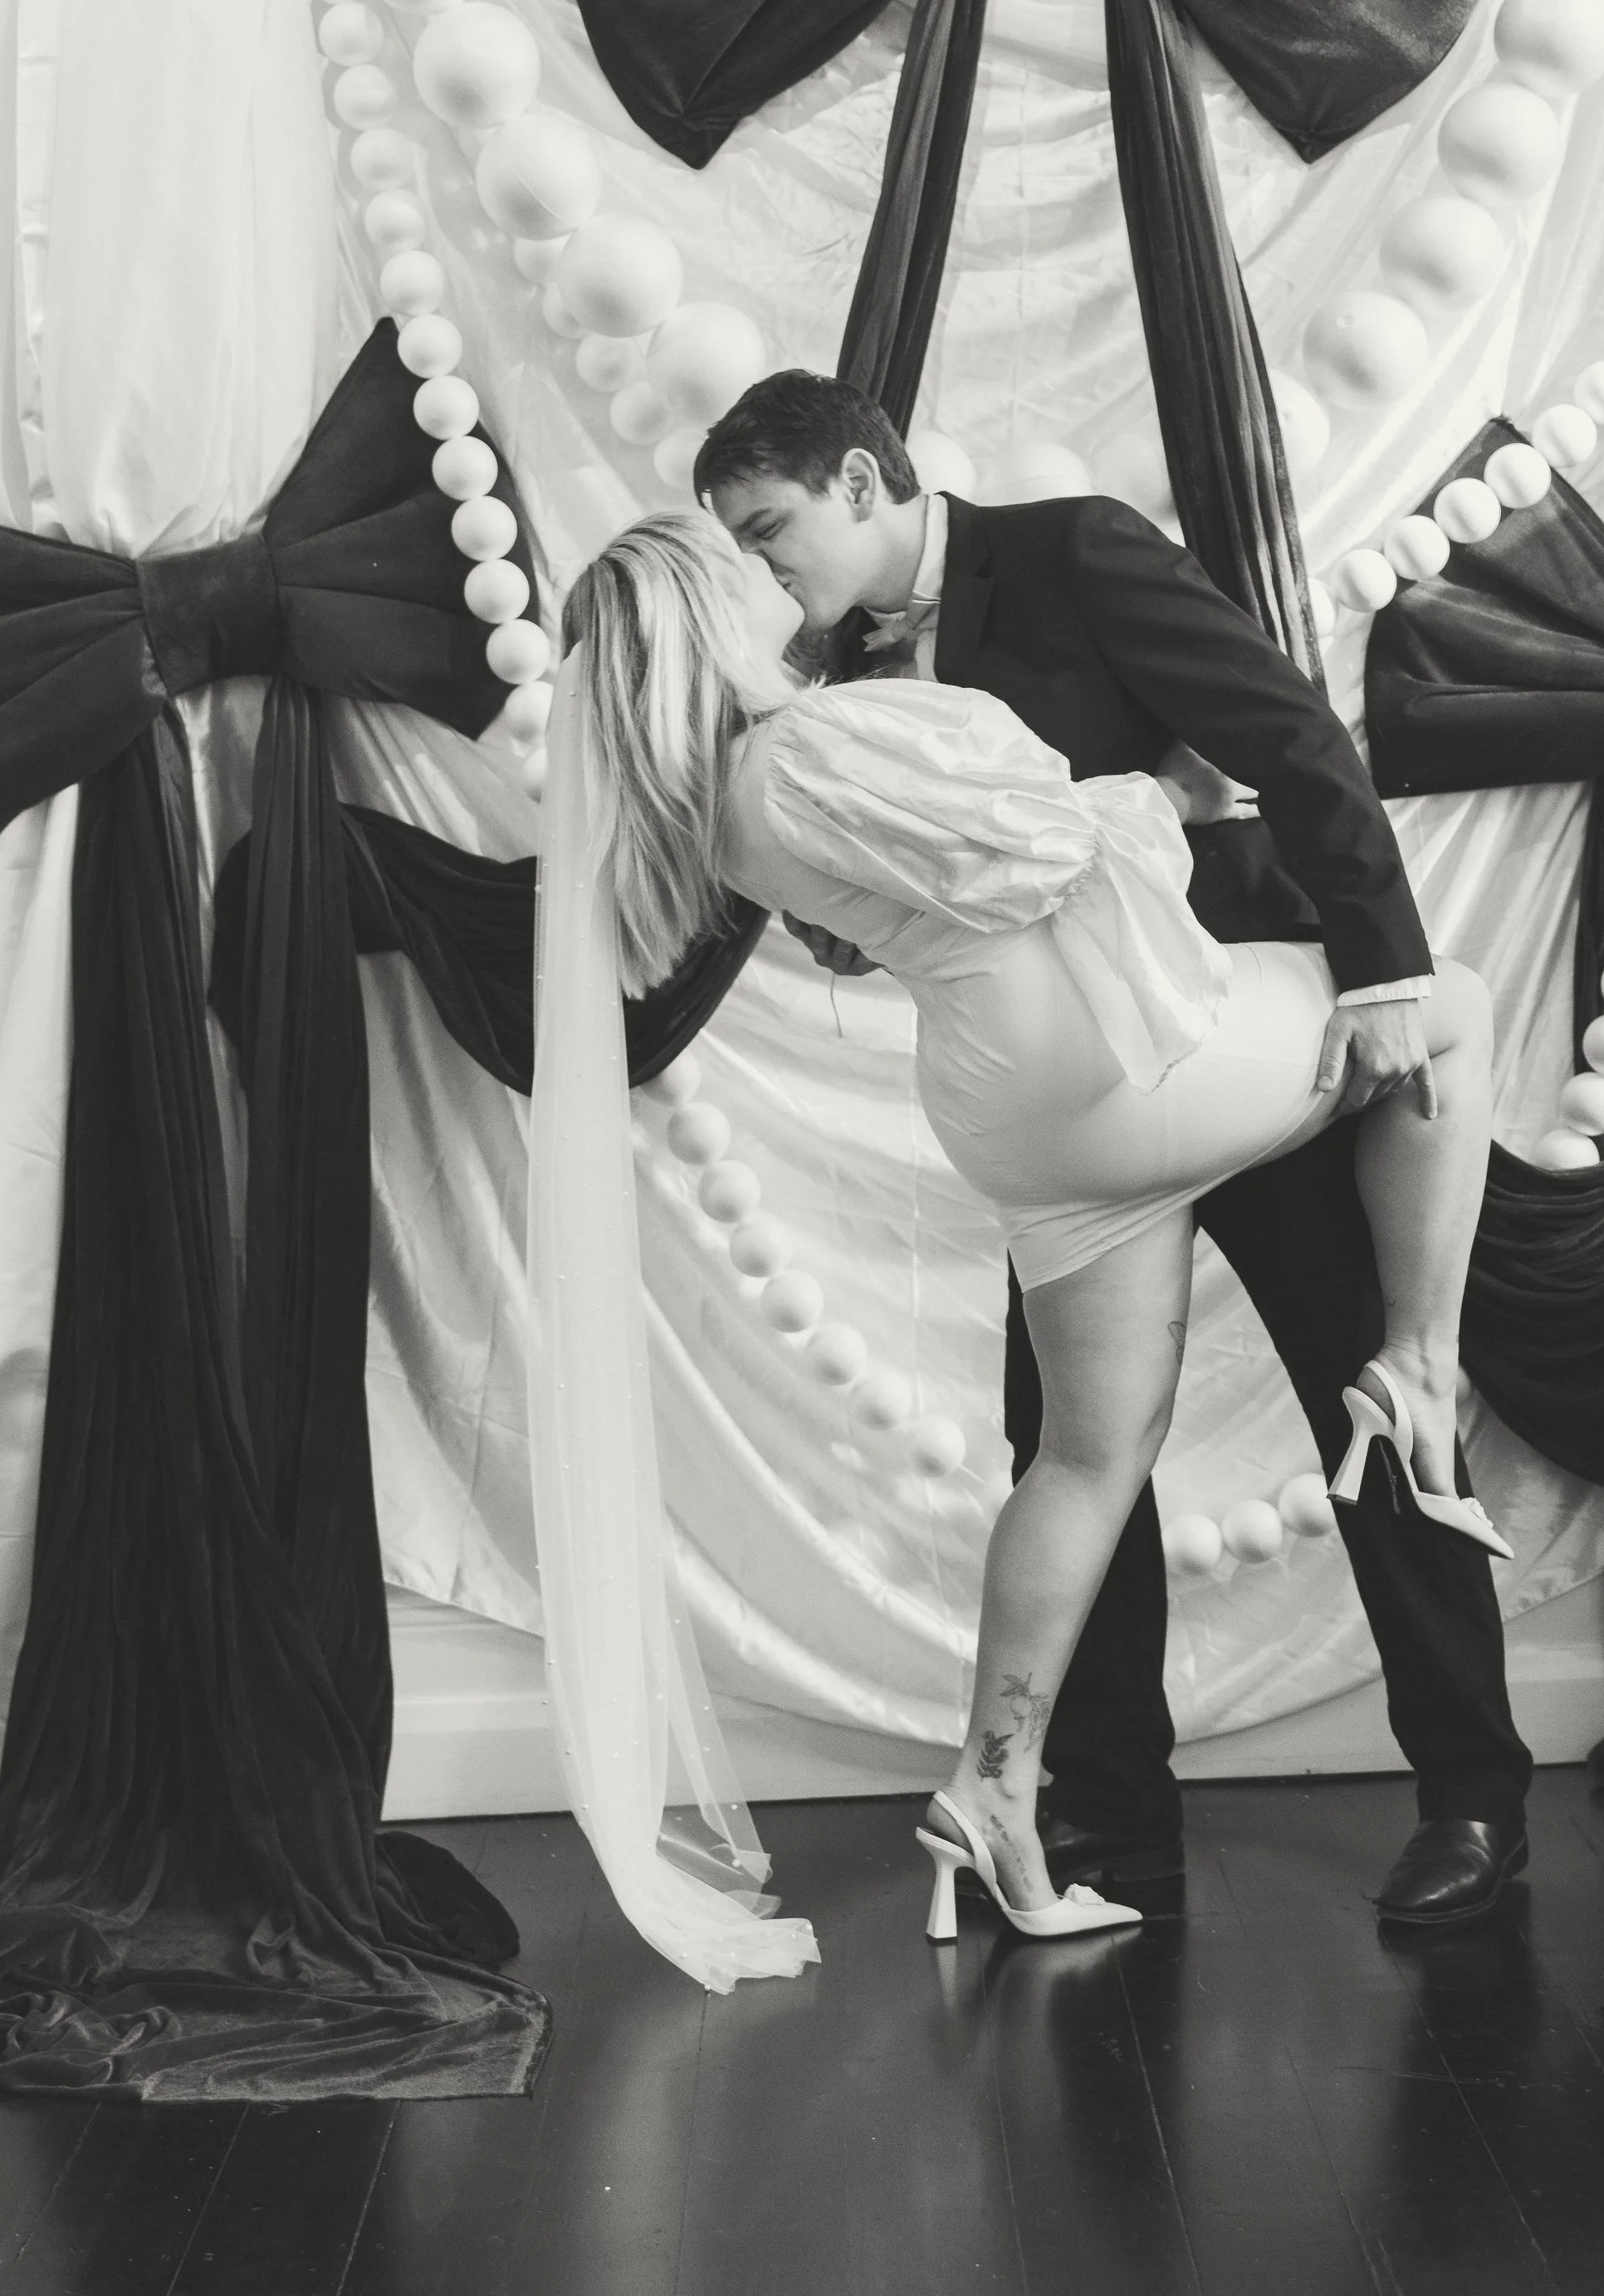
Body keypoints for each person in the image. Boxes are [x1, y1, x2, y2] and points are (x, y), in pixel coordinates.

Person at [564, 508, 1504, 1940]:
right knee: (1455, 1013)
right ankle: (1423, 1362)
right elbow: (1042, 845)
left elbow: (1259, 734)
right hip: (1144, 1055)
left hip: (1019, 1108)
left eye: (770, 534)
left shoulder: (723, 792)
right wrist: (1170, 800)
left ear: (861, 479)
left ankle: (995, 1792)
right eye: (743, 562)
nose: (774, 577)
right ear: (705, 616)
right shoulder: (813, 739)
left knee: (1083, 1455)